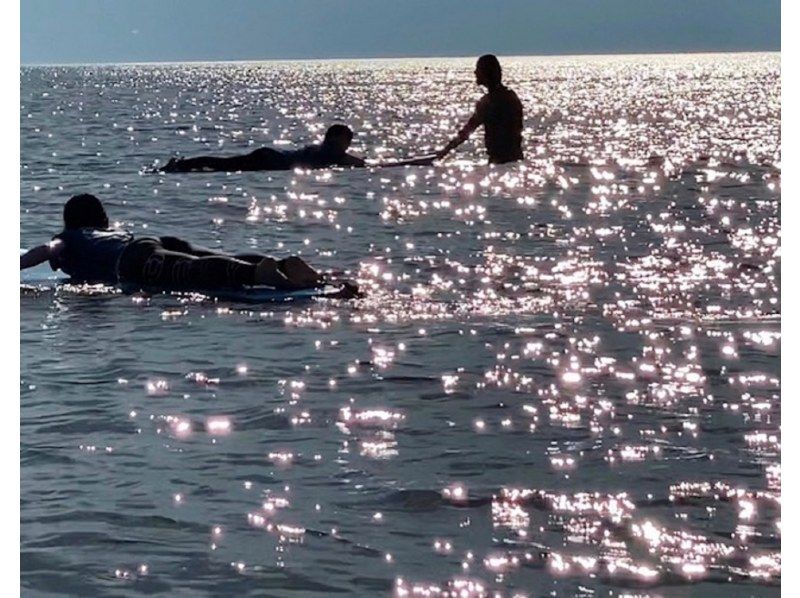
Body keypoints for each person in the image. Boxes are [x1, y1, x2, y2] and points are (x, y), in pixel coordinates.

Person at [20, 194, 358, 297]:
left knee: (195, 271)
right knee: (206, 256)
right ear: (102, 217)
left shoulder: (69, 237)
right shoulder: (107, 232)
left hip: (134, 261)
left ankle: (263, 272)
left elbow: (44, 252)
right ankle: (280, 265)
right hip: (149, 241)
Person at [160, 124, 366, 173]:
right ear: (337, 139)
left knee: (222, 164)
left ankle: (181, 165)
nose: (347, 145)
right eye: (347, 140)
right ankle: (179, 166)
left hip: (270, 156)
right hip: (271, 160)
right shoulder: (331, 151)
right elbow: (353, 162)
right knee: (222, 165)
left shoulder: (321, 149)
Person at [435, 55, 524, 164]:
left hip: (500, 162)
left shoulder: (489, 102)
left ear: (486, 73)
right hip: (515, 160)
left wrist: (444, 152)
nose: (475, 72)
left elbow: (467, 130)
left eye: (478, 69)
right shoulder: (511, 96)